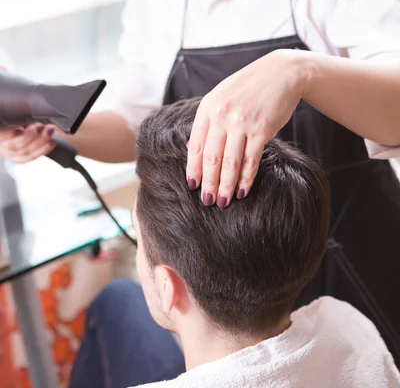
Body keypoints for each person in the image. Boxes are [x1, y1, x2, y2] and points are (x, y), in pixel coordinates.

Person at [1, 0, 400, 366]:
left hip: (359, 283)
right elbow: (135, 123)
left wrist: (300, 72)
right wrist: (54, 130)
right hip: (229, 311)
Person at [70, 98, 400, 387]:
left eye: (139, 242)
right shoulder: (347, 328)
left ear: (168, 286)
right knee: (117, 298)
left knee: (116, 300)